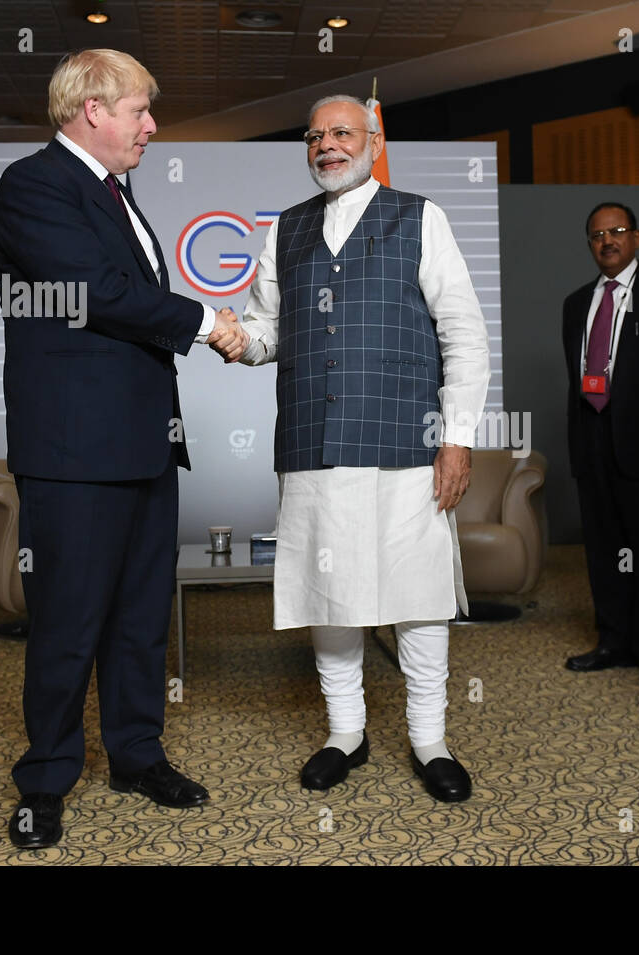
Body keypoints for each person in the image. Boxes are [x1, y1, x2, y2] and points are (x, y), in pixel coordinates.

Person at [0, 49, 248, 850]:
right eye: (140, 109)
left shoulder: (117, 192)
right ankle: (45, 779)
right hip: (72, 452)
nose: (152, 125)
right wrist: (207, 322)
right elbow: (95, 294)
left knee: (140, 621)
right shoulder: (33, 186)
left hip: (144, 446)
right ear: (91, 108)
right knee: (67, 621)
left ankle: (137, 755)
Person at [232, 95, 490, 802]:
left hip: (409, 444)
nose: (325, 145)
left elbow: (463, 334)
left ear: (374, 141)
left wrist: (458, 440)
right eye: (314, 136)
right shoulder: (285, 229)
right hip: (315, 444)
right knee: (331, 594)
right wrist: (238, 341)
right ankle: (345, 731)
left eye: (341, 133)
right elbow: (269, 333)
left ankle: (430, 738)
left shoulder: (420, 216)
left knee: (419, 596)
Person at [561, 203, 639, 688]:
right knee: (604, 547)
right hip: (591, 437)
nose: (606, 241)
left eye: (616, 231)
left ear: (636, 237)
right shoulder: (574, 303)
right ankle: (613, 640)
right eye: (596, 235)